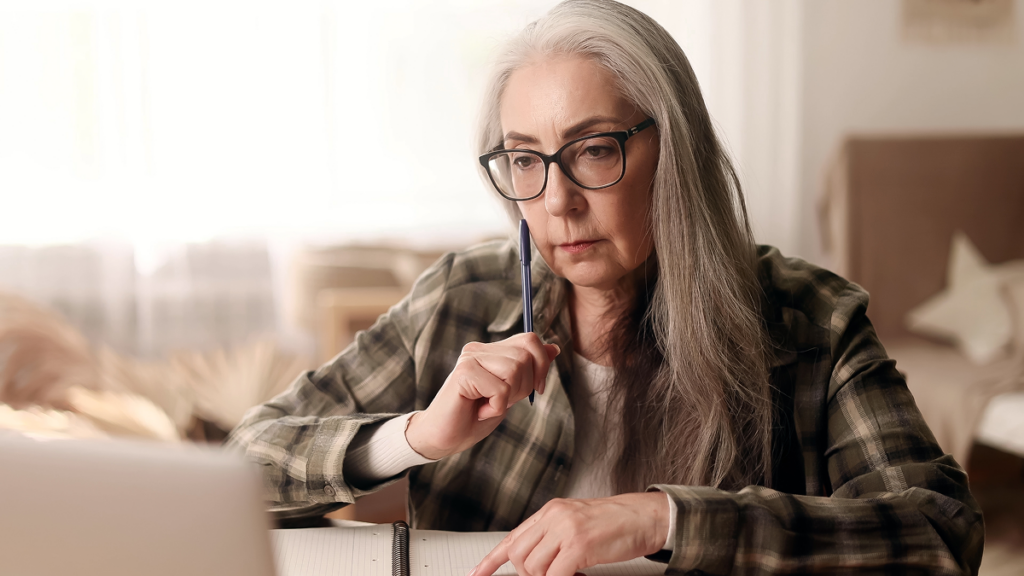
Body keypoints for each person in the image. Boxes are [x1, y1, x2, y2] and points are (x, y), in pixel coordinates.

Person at [226, 1, 983, 574]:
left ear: (674, 149)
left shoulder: (810, 320)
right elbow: (244, 465)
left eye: (592, 150)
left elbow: (941, 532)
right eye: (525, 159)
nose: (555, 201)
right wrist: (415, 435)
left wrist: (666, 519)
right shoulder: (460, 297)